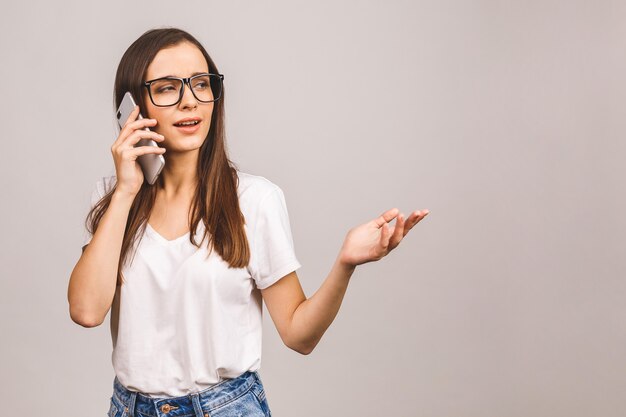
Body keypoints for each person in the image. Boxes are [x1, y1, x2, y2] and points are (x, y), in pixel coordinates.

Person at [67, 27, 429, 417]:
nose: (190, 101)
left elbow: (298, 335)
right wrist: (125, 191)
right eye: (168, 88)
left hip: (224, 409)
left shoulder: (255, 200)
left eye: (201, 84)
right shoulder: (115, 197)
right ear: (132, 107)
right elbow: (86, 311)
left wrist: (345, 264)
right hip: (129, 408)